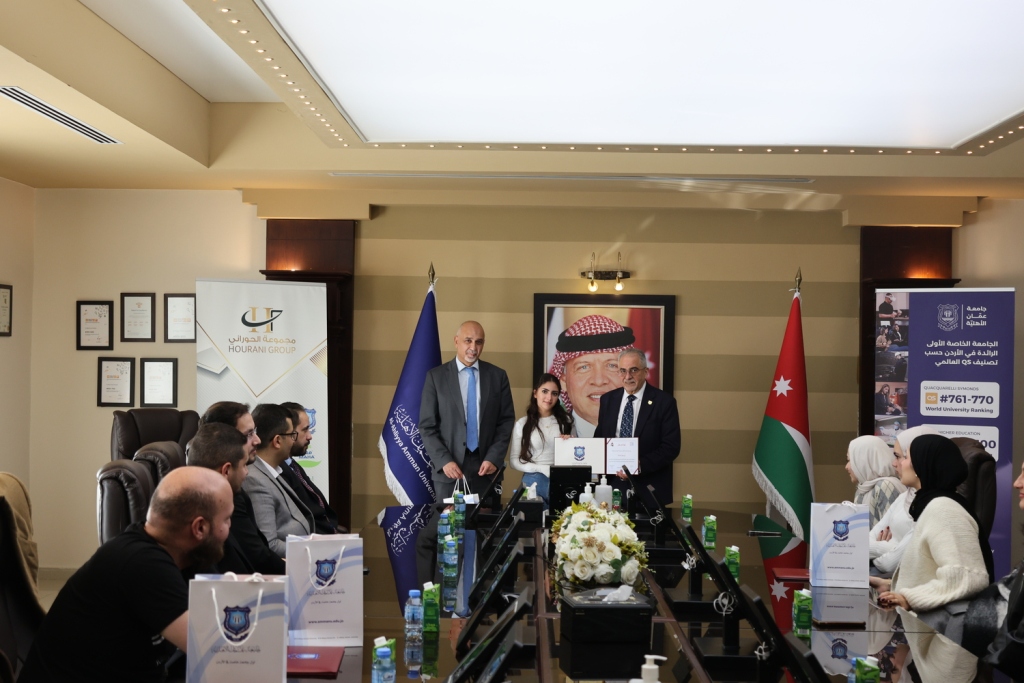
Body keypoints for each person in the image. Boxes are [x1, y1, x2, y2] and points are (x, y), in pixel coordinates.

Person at [19, 467, 233, 683]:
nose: (229, 527)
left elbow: (226, 609)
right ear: (199, 528)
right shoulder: (142, 563)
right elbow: (221, 655)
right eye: (227, 519)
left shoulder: (182, 553)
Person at [877, 434, 994, 613]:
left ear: (922, 465)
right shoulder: (932, 504)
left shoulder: (944, 509)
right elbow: (931, 571)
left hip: (937, 629)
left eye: (906, 457)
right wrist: (890, 585)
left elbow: (966, 577)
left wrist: (908, 598)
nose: (897, 463)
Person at [419, 320, 515, 503]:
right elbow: (426, 426)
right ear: (456, 341)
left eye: (479, 342)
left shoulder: (498, 376)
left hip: (486, 469)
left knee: (486, 521)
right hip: (449, 470)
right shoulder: (436, 377)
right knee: (449, 522)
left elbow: (506, 422)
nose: (473, 347)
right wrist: (444, 461)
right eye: (468, 340)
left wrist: (494, 458)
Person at [200, 401, 285, 574]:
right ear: (226, 438)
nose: (258, 440)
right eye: (249, 434)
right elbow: (257, 558)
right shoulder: (225, 491)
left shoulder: (233, 485)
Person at [594, 348, 681, 509]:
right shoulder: (608, 400)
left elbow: (671, 447)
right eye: (623, 371)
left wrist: (638, 466)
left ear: (645, 371)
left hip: (650, 487)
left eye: (633, 370)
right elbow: (600, 440)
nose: (627, 376)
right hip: (613, 486)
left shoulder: (664, 402)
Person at [186, 421, 277, 574]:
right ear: (226, 470)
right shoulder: (203, 527)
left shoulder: (212, 507)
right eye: (244, 465)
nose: (247, 472)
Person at [244, 403, 313, 557]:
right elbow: (270, 544)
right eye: (292, 435)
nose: (294, 441)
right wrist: (312, 551)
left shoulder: (274, 470)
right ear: (277, 441)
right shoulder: (255, 481)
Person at [869, 426, 939, 577]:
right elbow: (865, 542)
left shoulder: (933, 505)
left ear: (920, 460)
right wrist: (892, 547)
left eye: (900, 457)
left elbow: (890, 563)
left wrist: (880, 548)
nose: (894, 464)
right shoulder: (904, 497)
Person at [548, 314, 633, 438]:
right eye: (584, 367)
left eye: (612, 366)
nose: (599, 381)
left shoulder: (648, 430)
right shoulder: (547, 433)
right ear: (563, 381)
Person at [280, 401, 344, 534]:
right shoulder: (278, 472)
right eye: (305, 430)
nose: (310, 436)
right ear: (289, 432)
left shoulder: (293, 466)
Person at [509, 373, 574, 505]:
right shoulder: (522, 424)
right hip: (533, 480)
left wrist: (571, 442)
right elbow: (514, 461)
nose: (549, 398)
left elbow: (577, 458)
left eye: (554, 393)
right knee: (534, 518)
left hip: (561, 480)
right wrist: (542, 468)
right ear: (535, 393)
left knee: (561, 518)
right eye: (544, 391)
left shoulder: (566, 421)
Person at [847, 435, 907, 528]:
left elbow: (890, 532)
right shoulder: (862, 489)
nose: (846, 467)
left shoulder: (885, 485)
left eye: (850, 460)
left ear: (864, 461)